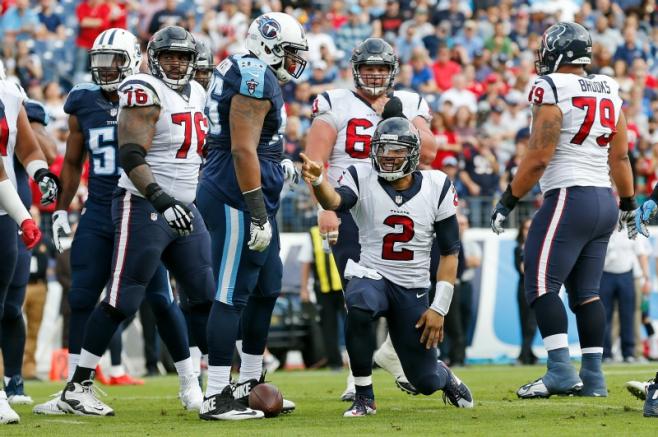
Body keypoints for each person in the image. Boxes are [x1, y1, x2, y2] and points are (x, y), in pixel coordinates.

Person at [55, 25, 214, 416]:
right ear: (150, 58)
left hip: (176, 205)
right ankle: (77, 385)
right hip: (134, 204)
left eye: (182, 56)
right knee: (109, 298)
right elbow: (120, 154)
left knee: (194, 295)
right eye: (167, 55)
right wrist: (60, 206)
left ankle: (214, 382)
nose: (107, 70)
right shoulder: (133, 91)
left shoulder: (195, 91)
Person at [491, 22, 638, 398]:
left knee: (539, 283)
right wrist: (627, 203)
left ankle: (559, 369)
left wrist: (507, 200)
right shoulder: (608, 86)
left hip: (570, 196)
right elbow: (620, 154)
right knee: (587, 293)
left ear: (558, 52)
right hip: (605, 200)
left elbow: (539, 156)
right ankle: (594, 379)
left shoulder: (552, 86)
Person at [300, 117, 473, 417]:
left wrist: (439, 307)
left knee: (425, 381)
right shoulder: (361, 175)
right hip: (373, 274)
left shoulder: (437, 185)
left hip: (413, 288)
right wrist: (318, 182)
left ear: (414, 154)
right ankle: (364, 396)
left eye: (396, 151)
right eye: (382, 150)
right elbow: (336, 201)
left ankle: (443, 375)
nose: (388, 157)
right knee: (360, 304)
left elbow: (450, 253)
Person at [304, 37, 437, 399]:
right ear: (356, 70)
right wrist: (325, 208)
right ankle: (357, 376)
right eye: (369, 68)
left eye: (381, 68)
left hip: (404, 207)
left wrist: (396, 116)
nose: (375, 75)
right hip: (352, 207)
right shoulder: (335, 101)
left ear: (392, 70)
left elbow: (430, 151)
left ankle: (395, 354)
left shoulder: (409, 101)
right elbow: (314, 160)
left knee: (416, 289)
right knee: (358, 298)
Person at [196, 12, 307, 420]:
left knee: (267, 287)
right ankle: (216, 394)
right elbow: (242, 150)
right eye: (291, 52)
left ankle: (250, 382)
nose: (295, 61)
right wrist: (257, 212)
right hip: (235, 196)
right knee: (232, 293)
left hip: (250, 192)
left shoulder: (253, 71)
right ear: (270, 44)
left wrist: (283, 167)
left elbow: (258, 148)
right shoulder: (253, 75)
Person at [0, 65, 56, 425]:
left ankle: (13, 379)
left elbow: (25, 143)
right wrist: (25, 216)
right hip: (9, 205)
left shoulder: (8, 91)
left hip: (4, 210)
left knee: (6, 302)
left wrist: (40, 172)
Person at [514, 217, 537, 365]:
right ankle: (525, 353)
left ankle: (527, 353)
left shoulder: (537, 246)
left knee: (531, 323)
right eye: (526, 228)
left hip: (534, 287)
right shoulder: (519, 249)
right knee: (526, 323)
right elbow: (523, 269)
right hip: (524, 288)